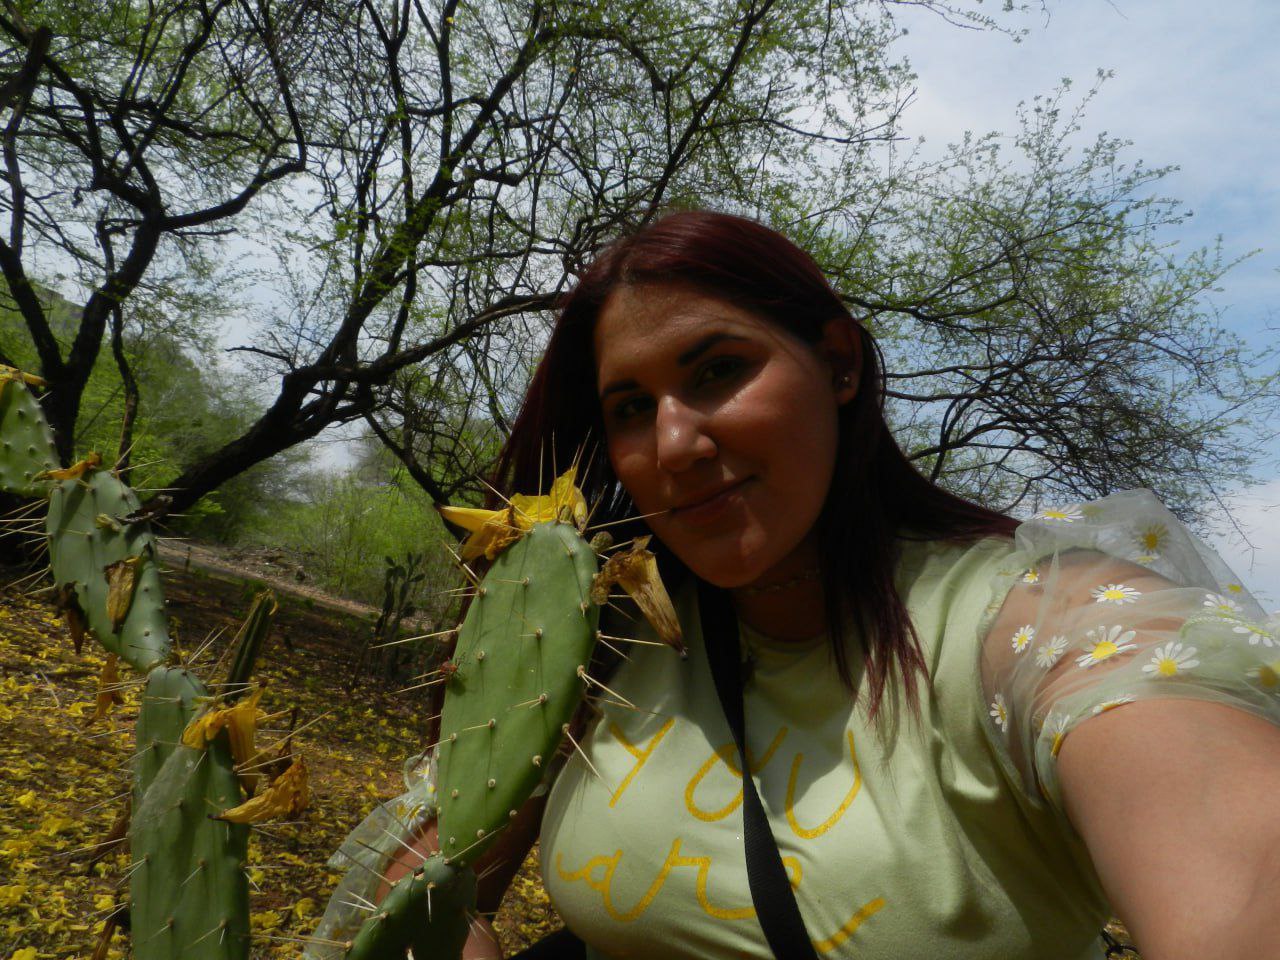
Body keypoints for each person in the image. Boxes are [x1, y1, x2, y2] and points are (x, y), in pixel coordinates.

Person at [319, 210, 1280, 959]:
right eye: (629, 407)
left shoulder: (1039, 623)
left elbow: (1234, 877)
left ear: (838, 364)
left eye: (720, 370)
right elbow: (417, 886)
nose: (676, 443)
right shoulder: (597, 637)